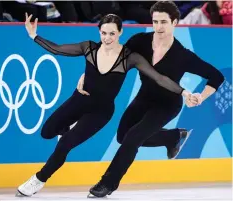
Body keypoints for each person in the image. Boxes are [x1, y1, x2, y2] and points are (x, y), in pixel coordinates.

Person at [16, 12, 191, 197]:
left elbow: (159, 78)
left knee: (66, 143)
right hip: (79, 100)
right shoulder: (89, 48)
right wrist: (33, 35)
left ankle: (38, 180)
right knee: (47, 132)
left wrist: (184, 92)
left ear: (120, 32)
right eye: (104, 33)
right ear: (99, 32)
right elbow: (58, 49)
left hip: (101, 112)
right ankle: (68, 128)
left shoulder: (129, 57)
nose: (107, 38)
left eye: (112, 34)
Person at [88, 1, 225, 198]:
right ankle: (173, 137)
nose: (159, 27)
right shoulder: (139, 42)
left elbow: (216, 76)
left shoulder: (182, 55)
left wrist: (201, 97)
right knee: (122, 137)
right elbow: (115, 60)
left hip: (167, 104)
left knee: (133, 138)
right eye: (155, 21)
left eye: (164, 22)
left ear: (175, 22)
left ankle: (107, 184)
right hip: (144, 98)